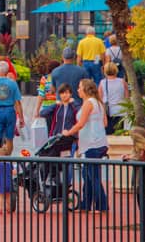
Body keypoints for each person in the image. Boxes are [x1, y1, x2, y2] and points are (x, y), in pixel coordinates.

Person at [62, 79, 108, 213]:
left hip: (92, 144)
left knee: (92, 176)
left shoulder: (89, 103)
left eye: (79, 88)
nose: (78, 90)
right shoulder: (98, 103)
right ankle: (85, 204)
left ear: (85, 89)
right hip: (98, 142)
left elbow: (81, 123)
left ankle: (101, 204)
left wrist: (68, 132)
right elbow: (104, 123)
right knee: (87, 175)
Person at [39, 83, 80, 155]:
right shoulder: (57, 106)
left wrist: (74, 103)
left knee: (53, 149)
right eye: (62, 93)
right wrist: (55, 104)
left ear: (70, 94)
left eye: (67, 93)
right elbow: (42, 113)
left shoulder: (74, 106)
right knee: (43, 150)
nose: (64, 95)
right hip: (57, 136)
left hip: (70, 136)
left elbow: (81, 113)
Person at [99, 62, 129, 134]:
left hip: (108, 112)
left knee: (108, 134)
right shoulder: (122, 82)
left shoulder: (102, 83)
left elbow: (99, 99)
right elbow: (127, 97)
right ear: (116, 70)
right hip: (120, 111)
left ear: (105, 71)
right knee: (119, 133)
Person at [0, 143, 17, 213]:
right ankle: (9, 209)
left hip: (1, 181)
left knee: (1, 197)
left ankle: (0, 209)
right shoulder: (9, 163)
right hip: (9, 181)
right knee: (8, 196)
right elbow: (14, 172)